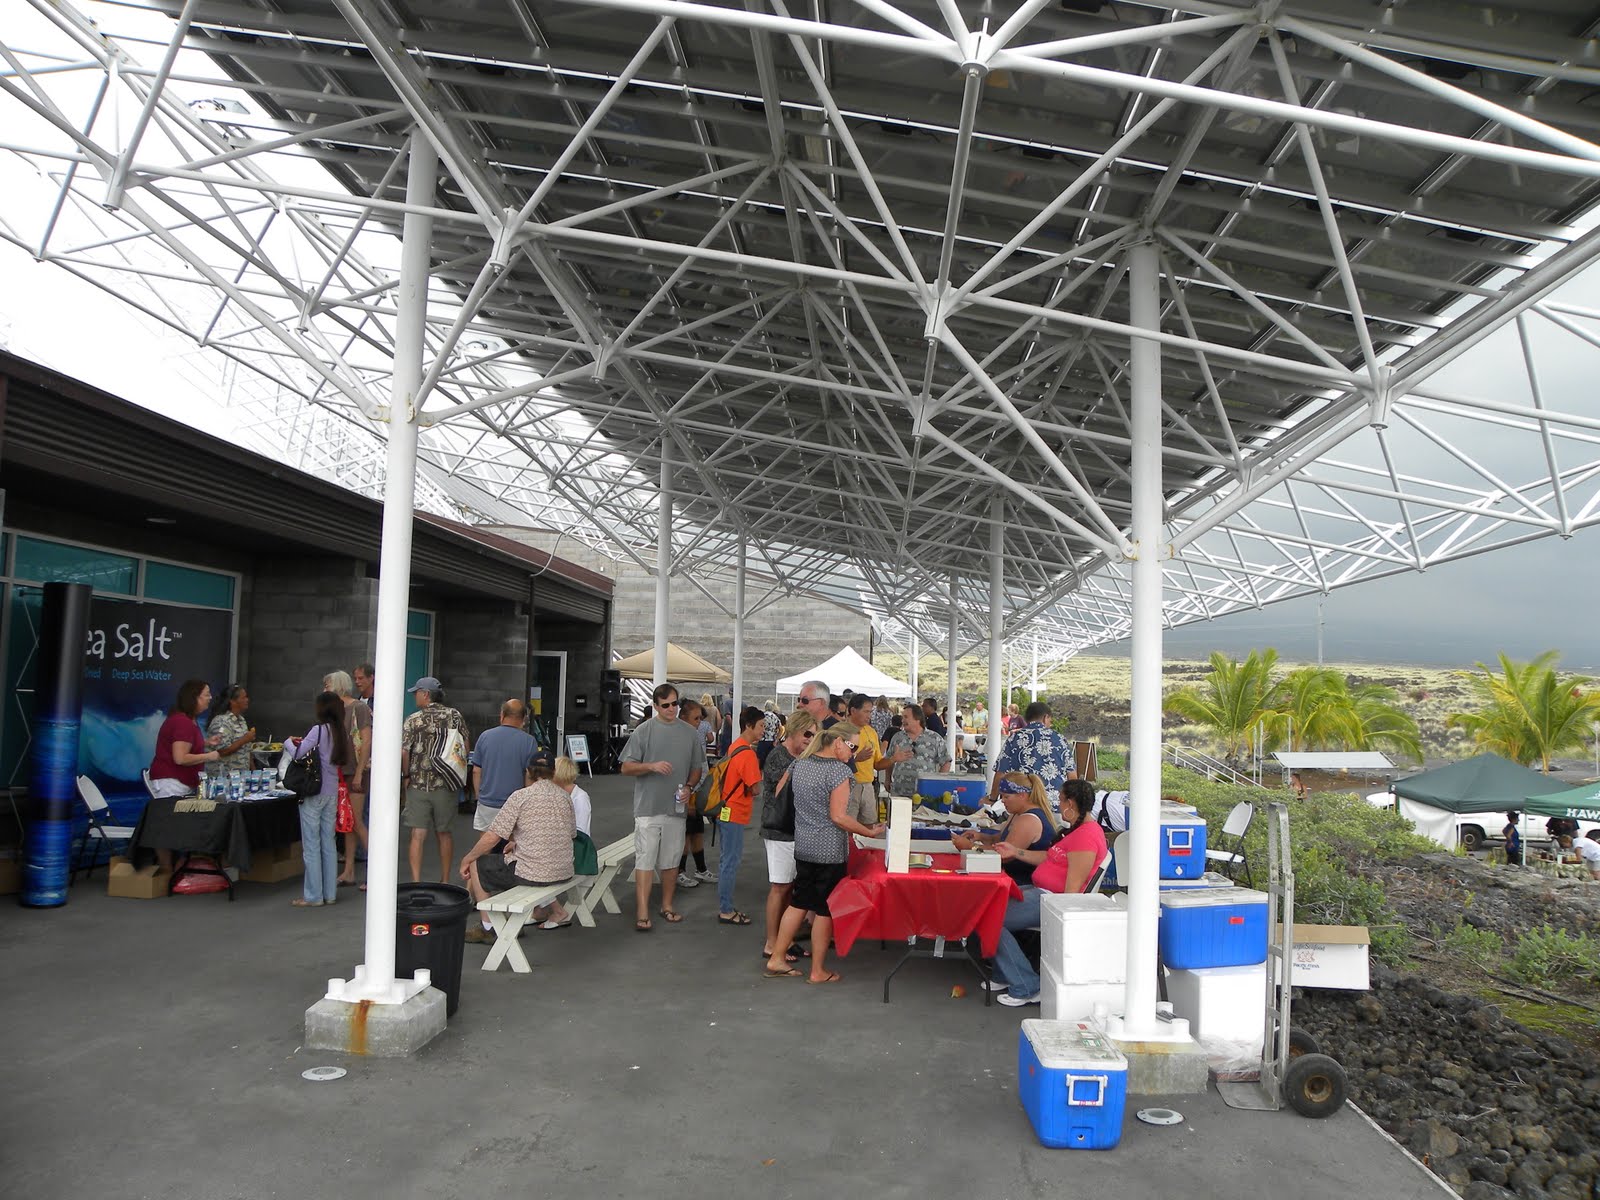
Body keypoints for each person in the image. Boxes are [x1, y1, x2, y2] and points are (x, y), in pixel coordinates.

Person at [763, 728, 885, 982]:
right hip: (829, 849)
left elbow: (779, 794)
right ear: (837, 742)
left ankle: (777, 956)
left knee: (798, 902)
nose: (852, 755)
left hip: (803, 844)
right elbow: (839, 816)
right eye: (851, 747)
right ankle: (818, 970)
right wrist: (868, 831)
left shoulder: (800, 763)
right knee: (824, 910)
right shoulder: (839, 772)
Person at [991, 779, 1108, 1006]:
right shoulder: (1079, 830)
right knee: (987, 903)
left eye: (1061, 799)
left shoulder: (1086, 836)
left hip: (1050, 899)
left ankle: (1026, 985)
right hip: (1040, 892)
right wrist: (1016, 851)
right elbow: (1049, 857)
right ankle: (1005, 973)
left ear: (1070, 804)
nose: (1057, 803)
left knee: (991, 918)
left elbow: (1071, 890)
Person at [619, 683, 705, 931]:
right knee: (645, 861)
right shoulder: (644, 730)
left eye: (675, 703)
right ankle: (642, 911)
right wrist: (651, 766)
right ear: (656, 706)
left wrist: (689, 786)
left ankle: (667, 905)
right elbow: (625, 767)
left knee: (670, 861)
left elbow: (697, 766)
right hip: (647, 808)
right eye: (665, 705)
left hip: (676, 808)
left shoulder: (689, 733)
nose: (671, 709)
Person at [460, 761, 578, 941]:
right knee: (516, 861)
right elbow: (570, 833)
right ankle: (499, 924)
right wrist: (517, 843)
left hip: (534, 874)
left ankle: (489, 927)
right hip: (563, 871)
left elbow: (493, 837)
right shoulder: (564, 797)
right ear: (553, 773)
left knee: (478, 864)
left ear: (528, 773)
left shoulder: (521, 796)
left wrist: (467, 858)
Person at [284, 691, 354, 908]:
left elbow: (298, 754)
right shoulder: (340, 732)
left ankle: (313, 895)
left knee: (311, 845)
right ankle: (329, 893)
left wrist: (288, 742)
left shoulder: (318, 730)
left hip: (314, 792)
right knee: (328, 843)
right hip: (332, 791)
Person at [760, 709, 818, 963]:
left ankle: (786, 939)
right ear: (794, 730)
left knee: (790, 889)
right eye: (807, 734)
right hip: (779, 829)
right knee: (779, 887)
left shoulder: (803, 756)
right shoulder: (778, 756)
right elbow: (779, 792)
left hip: (797, 830)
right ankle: (772, 942)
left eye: (813, 736)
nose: (809, 739)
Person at [400, 676, 470, 884]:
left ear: (426, 694)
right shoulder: (454, 716)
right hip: (446, 784)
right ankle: (445, 880)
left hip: (418, 783)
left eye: (416, 693)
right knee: (444, 833)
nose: (415, 697)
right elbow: (465, 746)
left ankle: (416, 881)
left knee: (417, 834)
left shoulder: (414, 720)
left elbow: (404, 753)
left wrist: (406, 775)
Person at [952, 773, 1058, 886]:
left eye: (1006, 797)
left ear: (1022, 795)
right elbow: (1000, 840)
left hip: (1024, 883)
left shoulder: (1028, 820)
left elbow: (1003, 856)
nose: (1002, 801)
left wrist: (970, 847)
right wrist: (981, 836)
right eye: (1001, 796)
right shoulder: (1017, 814)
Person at [713, 706, 765, 926]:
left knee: (728, 860)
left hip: (726, 809)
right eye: (761, 726)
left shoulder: (736, 747)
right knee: (730, 862)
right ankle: (725, 909)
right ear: (749, 726)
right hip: (734, 812)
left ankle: (726, 906)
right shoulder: (748, 754)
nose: (764, 730)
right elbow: (755, 788)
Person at [324, 670, 372, 889]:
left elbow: (366, 741)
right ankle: (349, 870)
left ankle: (376, 872)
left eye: (327, 686)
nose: (325, 690)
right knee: (348, 822)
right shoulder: (333, 711)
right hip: (341, 771)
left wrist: (361, 772)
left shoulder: (359, 708)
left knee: (357, 820)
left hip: (356, 771)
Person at [470, 699, 539, 834]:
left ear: (502, 715)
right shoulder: (529, 742)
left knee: (486, 843)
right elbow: (529, 776)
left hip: (488, 802)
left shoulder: (485, 736)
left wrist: (479, 795)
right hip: (516, 804)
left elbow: (476, 771)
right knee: (514, 845)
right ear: (524, 719)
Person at [149, 679, 222, 798]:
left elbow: (184, 744)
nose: (210, 698)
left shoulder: (187, 720)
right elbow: (180, 758)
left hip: (179, 782)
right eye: (207, 694)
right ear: (195, 698)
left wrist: (205, 743)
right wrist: (209, 756)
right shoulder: (183, 722)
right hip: (172, 784)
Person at [988, 702, 1071, 803]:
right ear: (1045, 717)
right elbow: (1072, 775)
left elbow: (1000, 772)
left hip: (1023, 806)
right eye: (1050, 720)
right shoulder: (1060, 739)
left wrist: (992, 799)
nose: (1050, 724)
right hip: (1055, 804)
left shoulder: (1015, 737)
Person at [675, 698, 717, 890]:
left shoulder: (693, 737)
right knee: (685, 835)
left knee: (697, 832)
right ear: (683, 718)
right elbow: (683, 771)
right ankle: (680, 871)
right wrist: (689, 795)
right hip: (686, 796)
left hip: (696, 792)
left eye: (700, 719)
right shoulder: (680, 740)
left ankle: (700, 868)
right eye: (695, 719)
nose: (699, 722)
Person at [885, 703, 950, 800]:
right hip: (899, 792)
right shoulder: (897, 737)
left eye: (906, 717)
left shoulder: (934, 738)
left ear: (917, 719)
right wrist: (887, 779)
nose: (902, 720)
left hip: (925, 795)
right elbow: (889, 760)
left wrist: (937, 783)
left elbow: (946, 761)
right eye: (902, 717)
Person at [845, 693, 886, 825]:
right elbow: (833, 761)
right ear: (853, 711)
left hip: (868, 786)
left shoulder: (871, 732)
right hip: (848, 786)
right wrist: (856, 757)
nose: (869, 716)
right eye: (866, 711)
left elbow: (877, 764)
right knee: (847, 827)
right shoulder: (841, 731)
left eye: (871, 712)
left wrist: (894, 759)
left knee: (869, 826)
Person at [205, 684, 256, 777]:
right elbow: (222, 751)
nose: (247, 700)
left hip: (240, 778)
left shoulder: (241, 720)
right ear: (232, 701)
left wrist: (254, 772)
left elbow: (246, 751)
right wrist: (244, 739)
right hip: (222, 779)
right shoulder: (221, 721)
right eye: (243, 698)